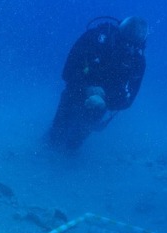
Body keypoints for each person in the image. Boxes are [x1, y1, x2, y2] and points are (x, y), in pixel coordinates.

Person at [48, 16, 148, 151]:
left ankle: (67, 158)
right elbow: (68, 71)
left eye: (132, 45)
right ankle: (49, 150)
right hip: (74, 93)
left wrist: (105, 99)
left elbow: (128, 99)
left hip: (99, 106)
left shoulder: (137, 60)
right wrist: (87, 88)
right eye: (125, 42)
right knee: (55, 136)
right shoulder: (94, 38)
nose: (127, 48)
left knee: (73, 145)